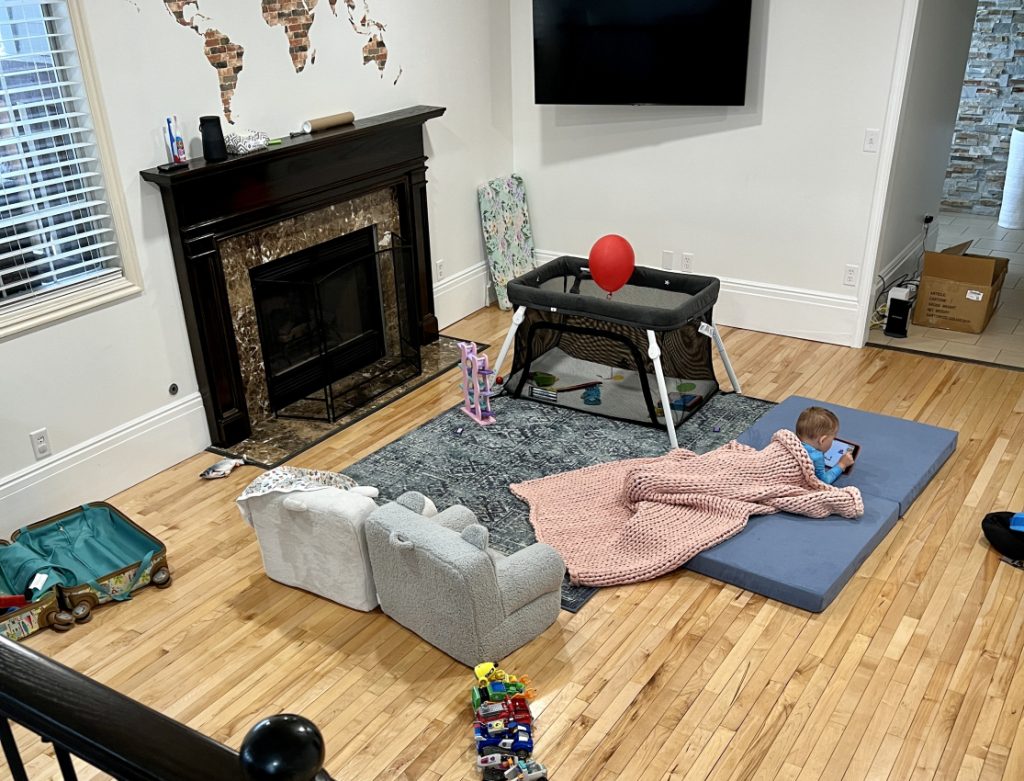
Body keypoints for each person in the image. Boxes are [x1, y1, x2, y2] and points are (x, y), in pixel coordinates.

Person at [796, 406, 854, 485]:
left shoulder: (791, 441)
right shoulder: (816, 457)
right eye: (833, 439)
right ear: (822, 440)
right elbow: (823, 481)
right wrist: (841, 465)